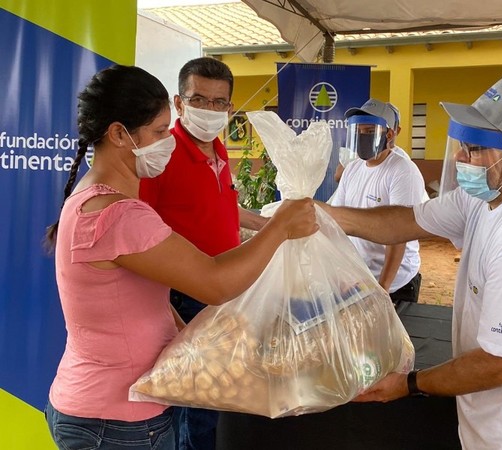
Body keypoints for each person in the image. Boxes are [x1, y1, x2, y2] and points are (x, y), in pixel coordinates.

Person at [43, 64, 317, 450]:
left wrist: (185, 337)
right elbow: (215, 282)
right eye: (158, 132)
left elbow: (142, 294)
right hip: (118, 422)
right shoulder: (119, 215)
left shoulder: (91, 198)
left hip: (97, 406)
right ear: (119, 134)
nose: (167, 142)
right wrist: (280, 227)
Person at [323, 76, 502, 449]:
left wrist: (409, 384)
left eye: (474, 149)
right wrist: (323, 214)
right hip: (500, 419)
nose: (459, 158)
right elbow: (404, 221)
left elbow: (500, 364)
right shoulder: (488, 195)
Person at [139, 57, 267, 449]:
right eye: (199, 99)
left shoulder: (219, 151)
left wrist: (269, 224)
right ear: (179, 103)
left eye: (219, 102)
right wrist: (170, 313)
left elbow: (222, 208)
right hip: (184, 296)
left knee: (217, 397)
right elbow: (140, 230)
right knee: (194, 404)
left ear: (230, 107)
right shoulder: (160, 155)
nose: (209, 110)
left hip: (225, 294)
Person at [331, 99, 427, 306]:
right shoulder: (353, 169)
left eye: (367, 131)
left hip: (394, 283)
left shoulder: (403, 172)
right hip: (360, 278)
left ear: (389, 134)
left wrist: (382, 289)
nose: (360, 138)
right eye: (356, 131)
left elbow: (400, 234)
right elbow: (338, 220)